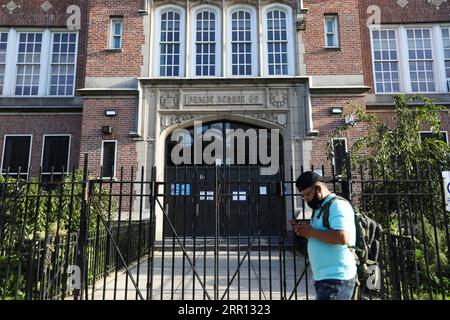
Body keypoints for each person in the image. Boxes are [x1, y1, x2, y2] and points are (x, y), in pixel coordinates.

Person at [290, 171, 357, 300]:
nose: (306, 199)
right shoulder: (319, 208)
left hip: (337, 279)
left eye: (307, 194)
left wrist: (311, 232)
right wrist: (304, 231)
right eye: (303, 196)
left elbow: (343, 237)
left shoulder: (337, 206)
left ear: (319, 188)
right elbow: (319, 234)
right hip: (324, 278)